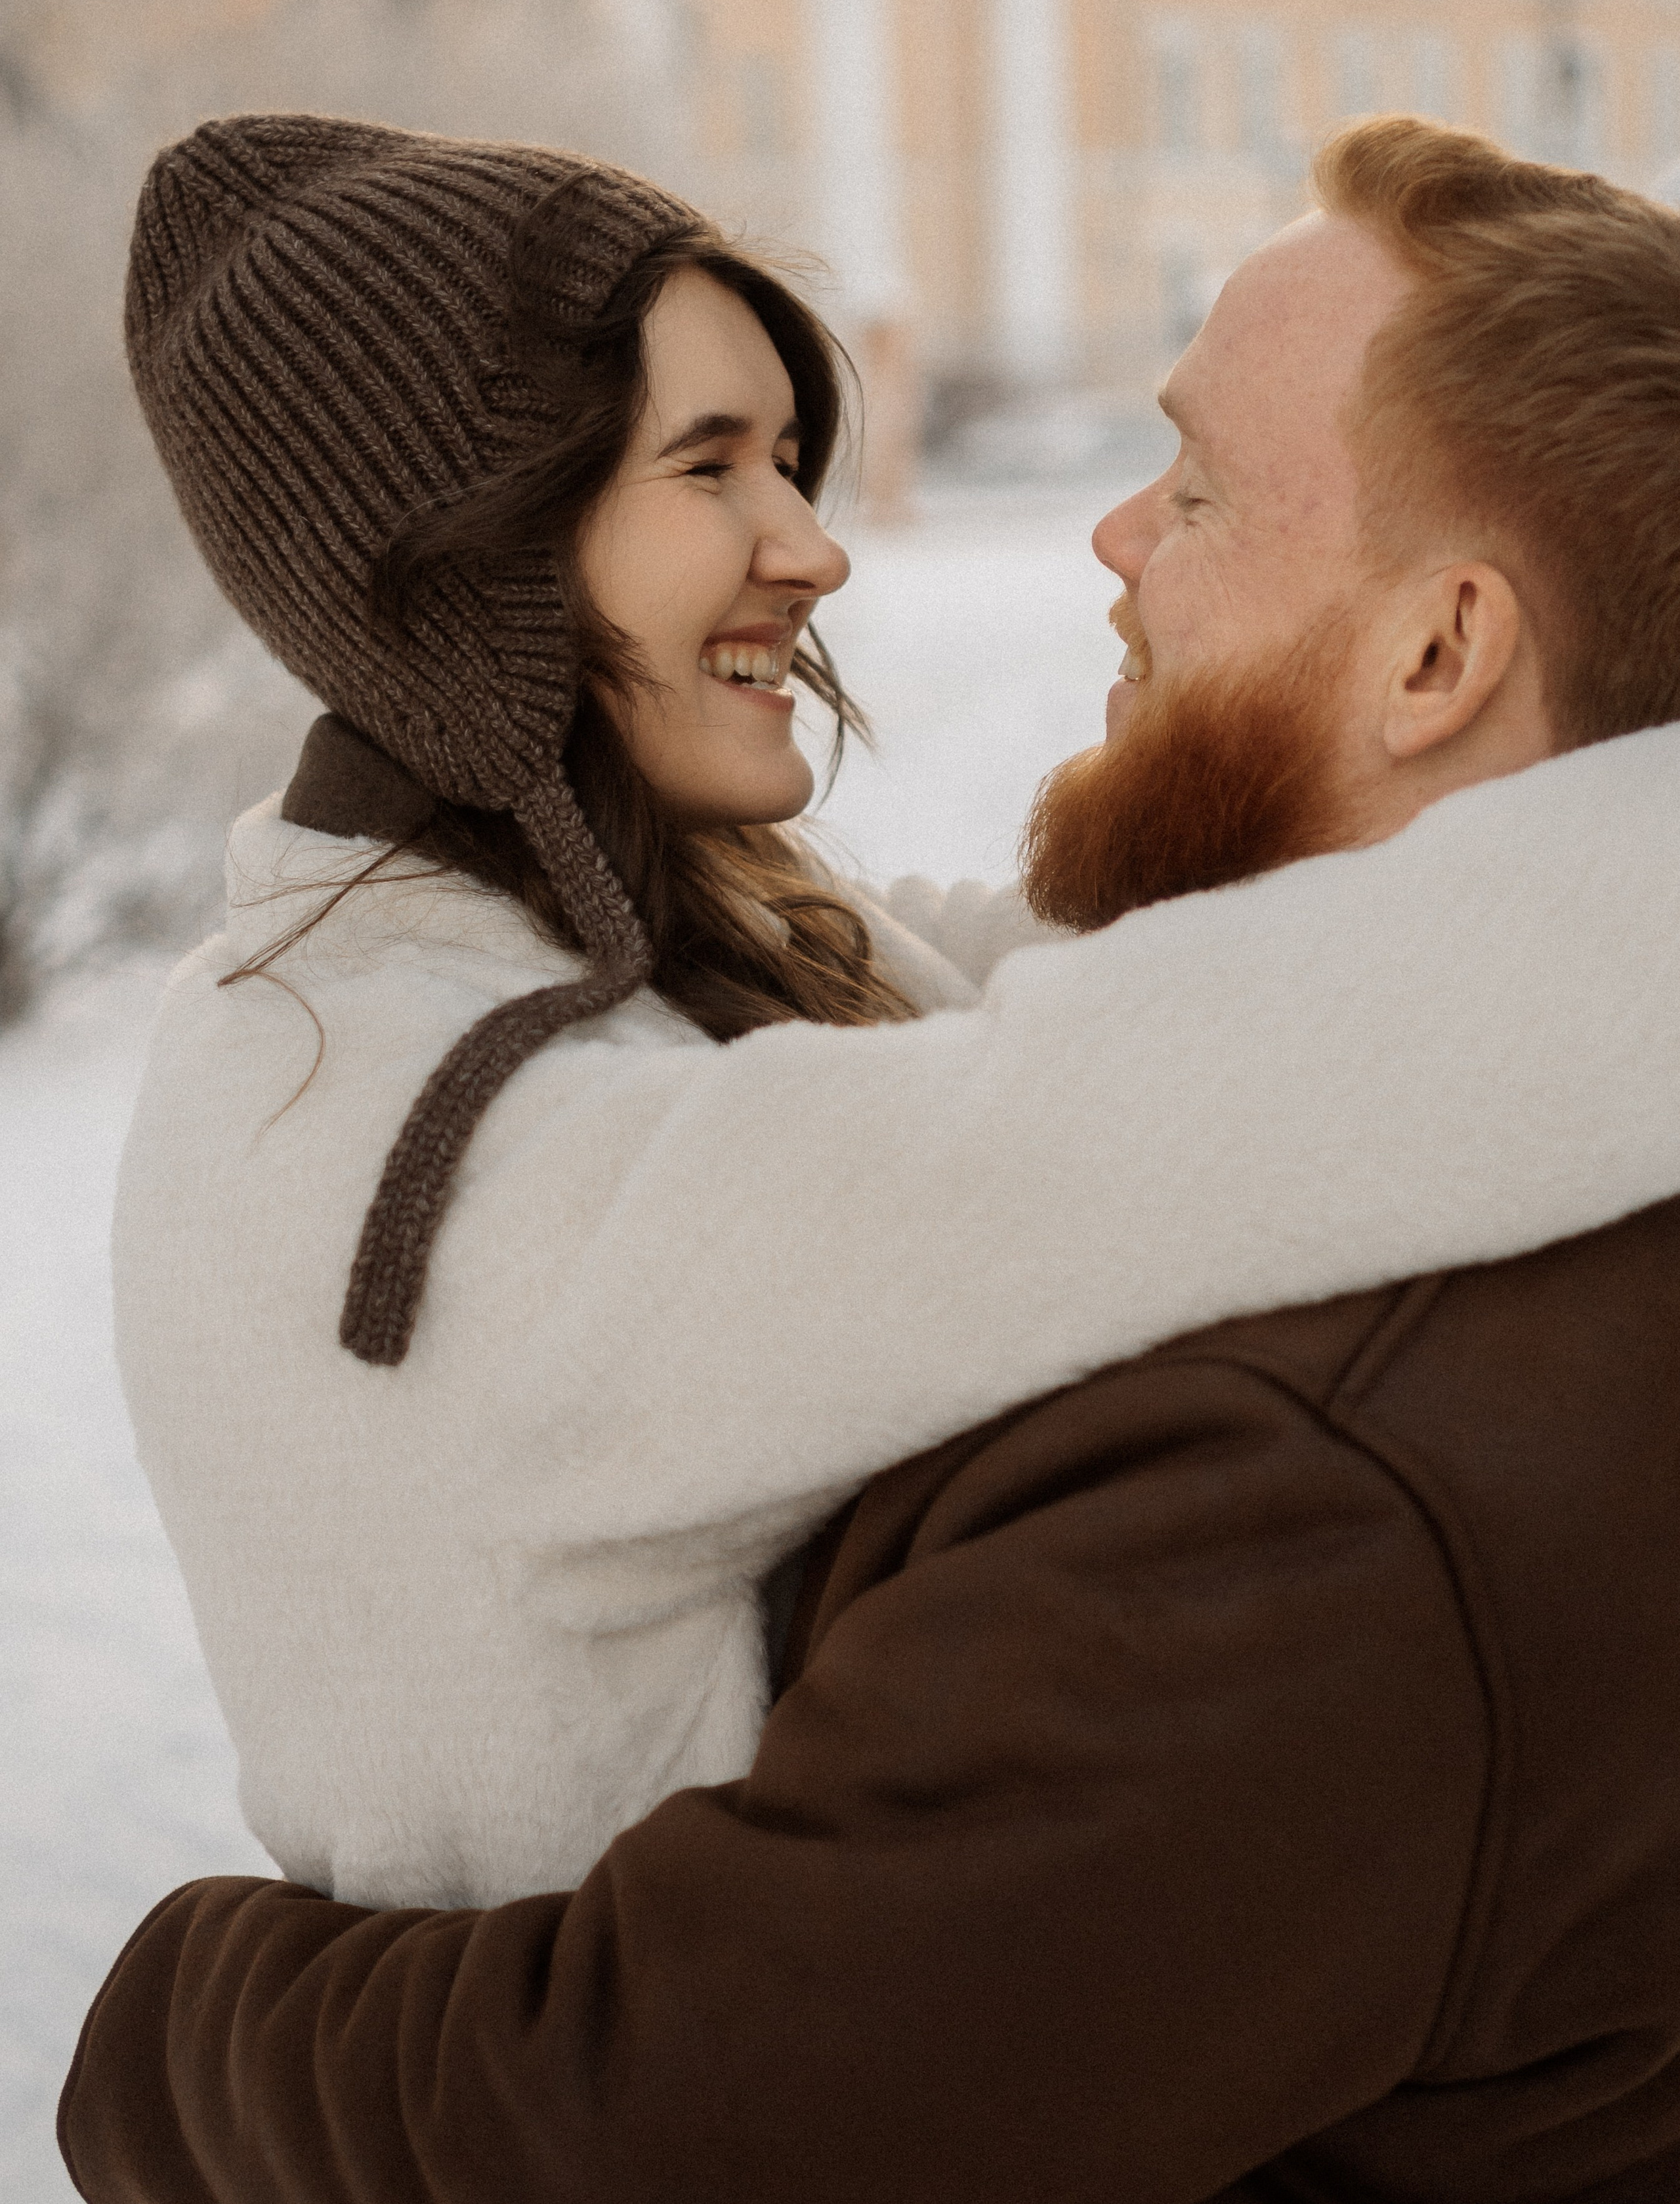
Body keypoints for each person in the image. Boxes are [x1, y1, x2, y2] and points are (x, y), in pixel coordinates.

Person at [60, 115, 1680, 2201]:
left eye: (1191, 488)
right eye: (711, 464)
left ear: (1441, 653)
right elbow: (1048, 1044)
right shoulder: (461, 1142)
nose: (820, 543)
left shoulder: (1317, 1491)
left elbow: (646, 2137)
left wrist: (174, 2024)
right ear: (477, 554)